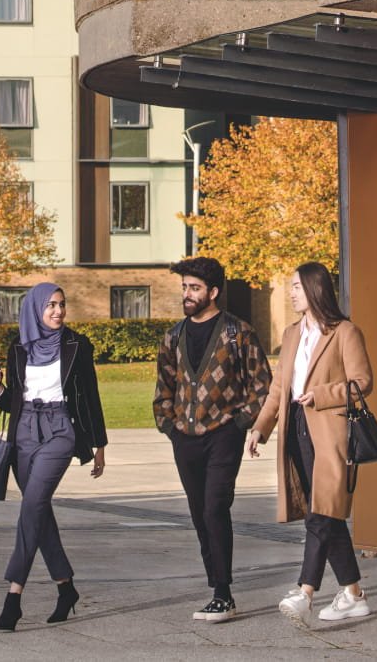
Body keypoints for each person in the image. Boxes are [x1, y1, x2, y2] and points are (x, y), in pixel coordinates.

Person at [249, 262, 374, 627]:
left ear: (315, 289)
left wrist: (320, 394)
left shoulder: (345, 333)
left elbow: (362, 382)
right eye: (290, 287)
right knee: (324, 513)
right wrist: (260, 428)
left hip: (331, 432)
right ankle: (353, 594)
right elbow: (278, 388)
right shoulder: (290, 335)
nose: (290, 293)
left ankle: (304, 591)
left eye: (296, 287)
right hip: (296, 429)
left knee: (322, 511)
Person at [154, 256, 272, 623]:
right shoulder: (172, 336)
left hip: (224, 434)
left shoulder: (239, 332)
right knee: (198, 514)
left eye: (194, 288)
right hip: (184, 438)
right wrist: (168, 426)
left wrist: (240, 424)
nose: (187, 295)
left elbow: (263, 386)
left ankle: (223, 594)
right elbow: (164, 388)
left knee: (214, 508)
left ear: (213, 292)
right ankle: (216, 585)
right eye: (184, 288)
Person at [0, 283, 108, 631]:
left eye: (62, 304)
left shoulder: (77, 345)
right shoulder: (19, 347)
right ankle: (66, 588)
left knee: (32, 504)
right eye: (50, 305)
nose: (57, 311)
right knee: (38, 512)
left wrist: (99, 445)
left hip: (60, 431)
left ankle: (13, 598)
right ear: (35, 308)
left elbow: (90, 396)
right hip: (24, 432)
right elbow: (14, 401)